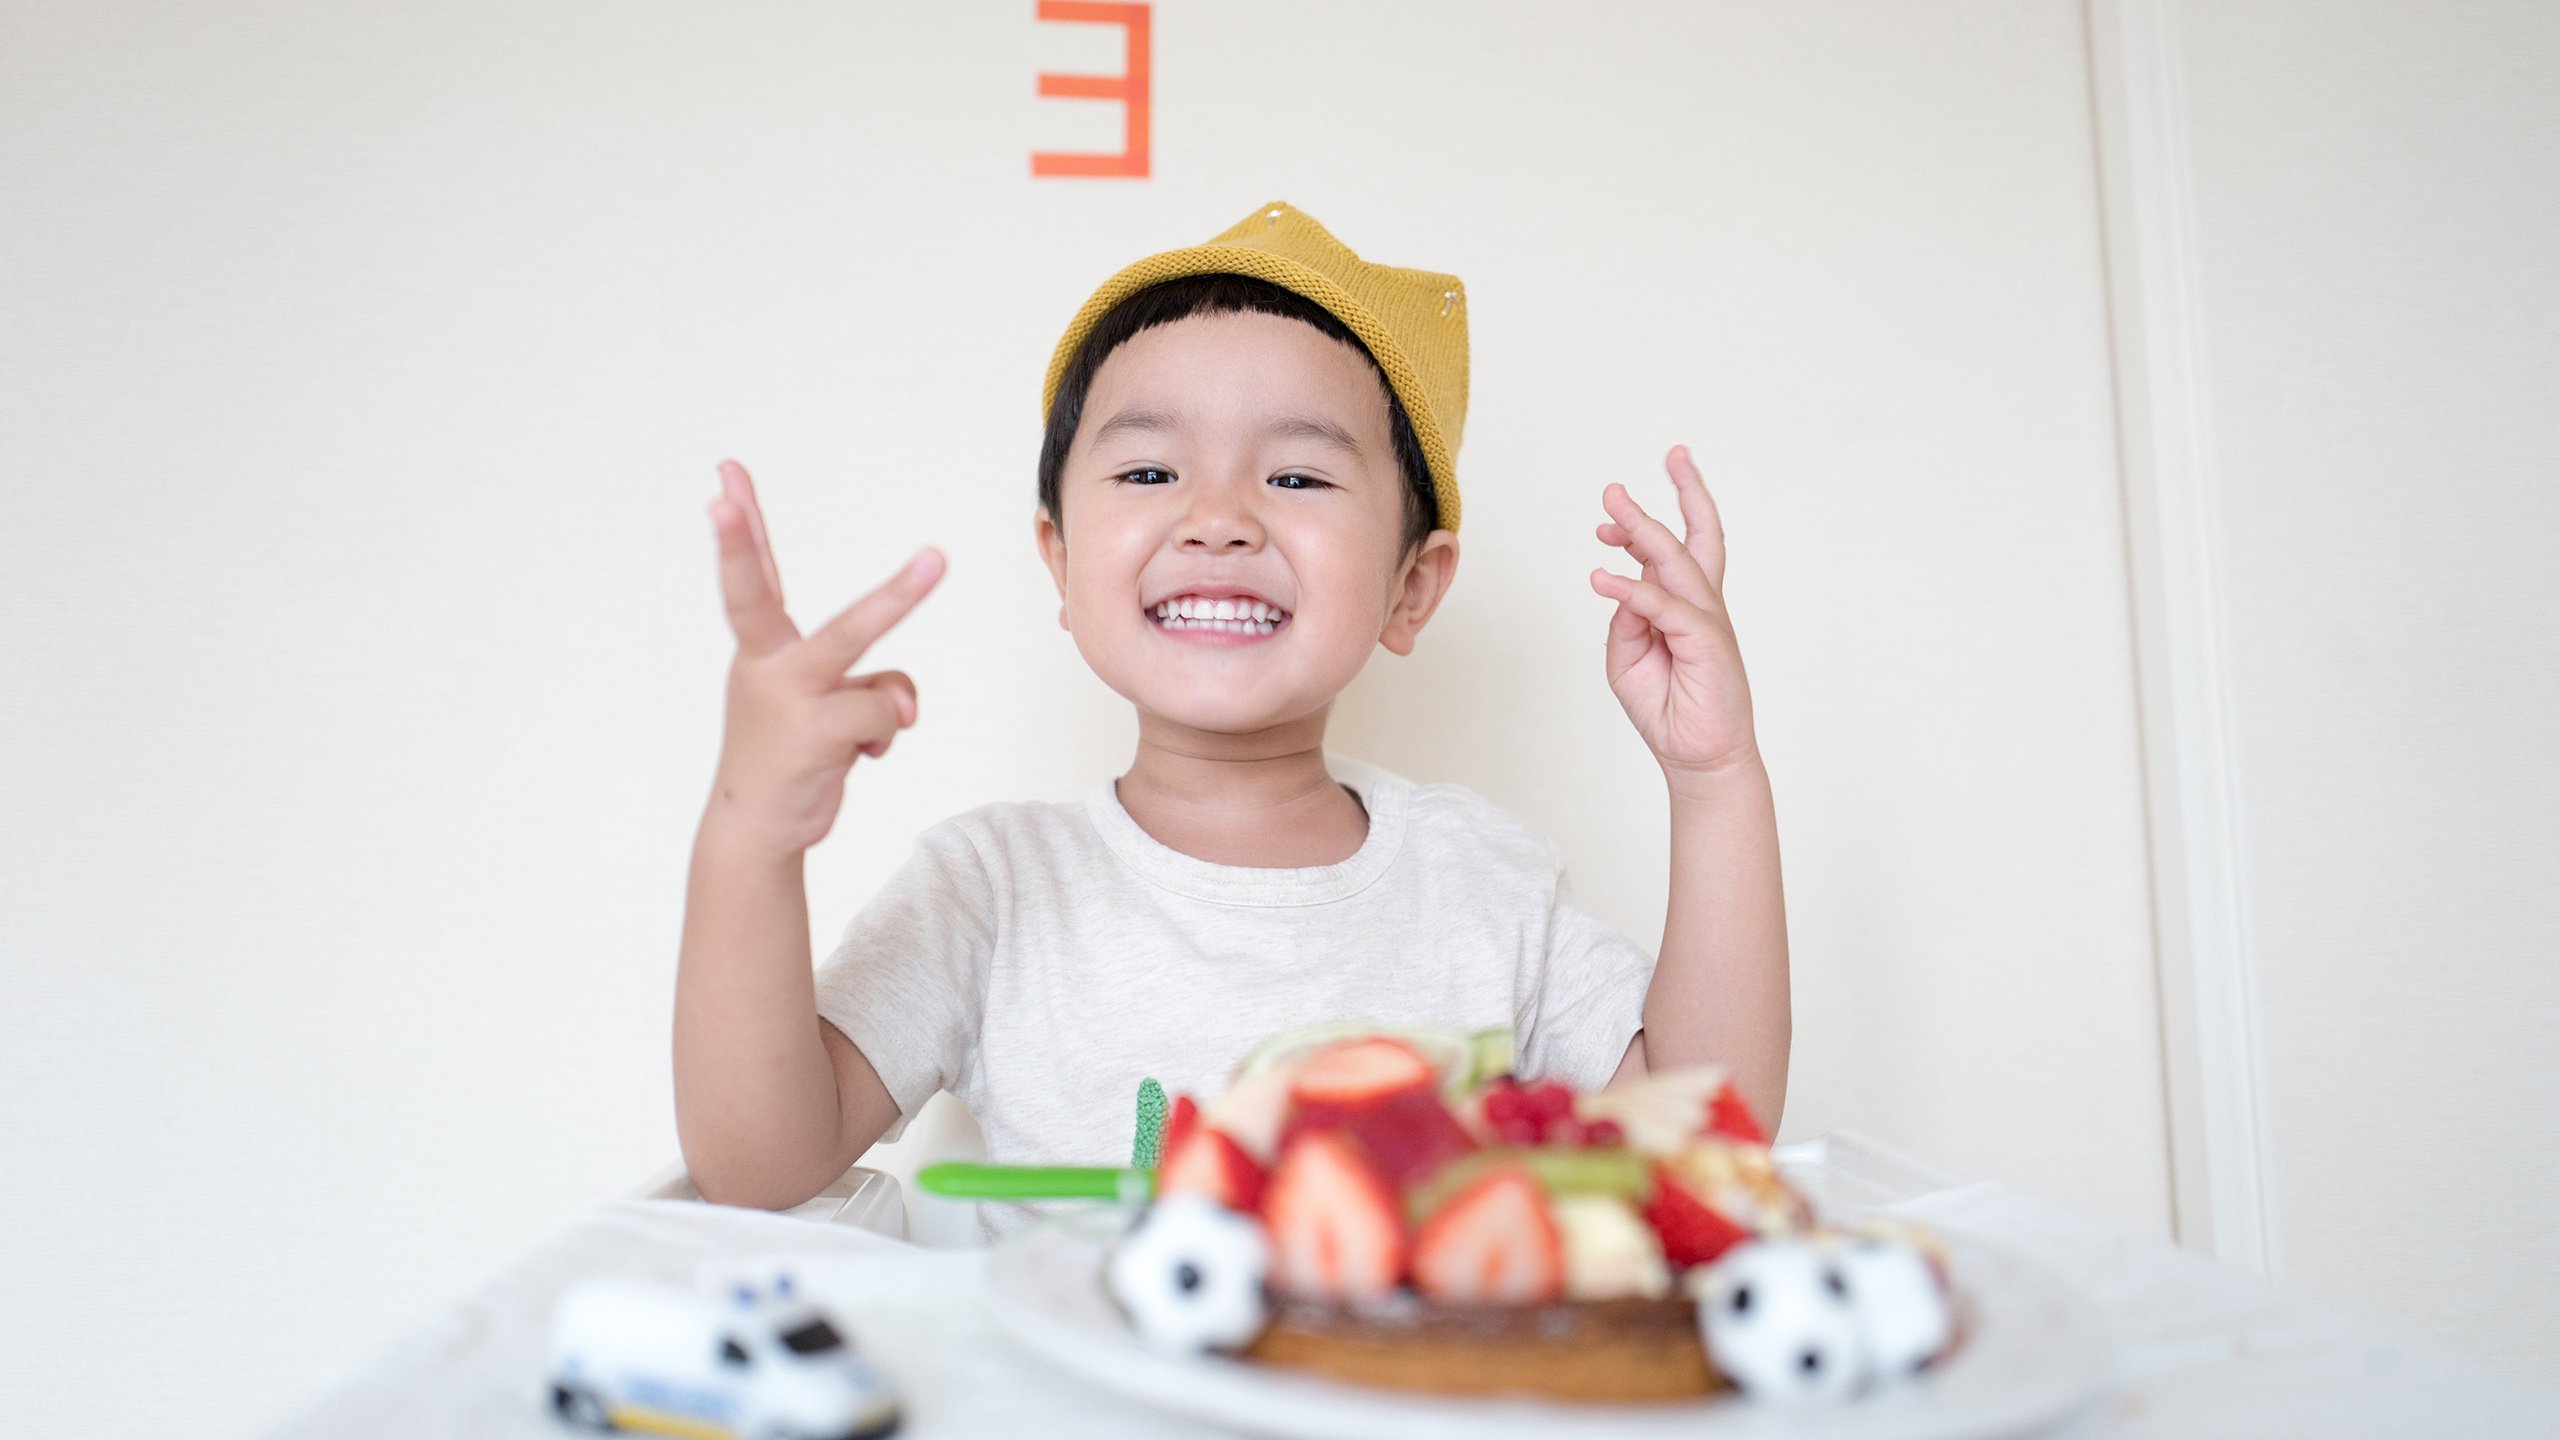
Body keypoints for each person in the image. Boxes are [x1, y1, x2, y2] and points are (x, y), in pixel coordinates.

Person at [671, 203, 1788, 1226]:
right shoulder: (992, 887)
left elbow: (1696, 1138)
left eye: (1297, 479)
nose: (1216, 519)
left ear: (1413, 585)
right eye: (1150, 471)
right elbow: (759, 1168)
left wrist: (1714, 778)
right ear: (1059, 561)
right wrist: (750, 833)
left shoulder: (1485, 883)